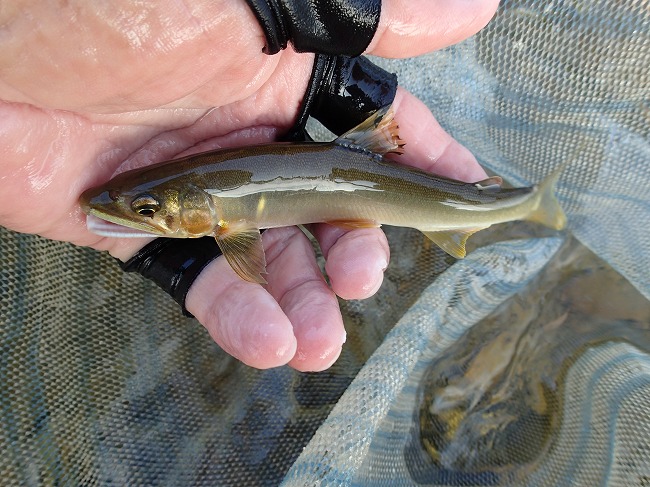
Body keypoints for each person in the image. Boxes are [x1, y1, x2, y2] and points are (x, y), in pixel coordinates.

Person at [0, 0, 499, 372]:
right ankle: (506, 207)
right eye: (147, 209)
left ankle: (511, 207)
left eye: (147, 209)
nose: (141, 214)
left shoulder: (225, 220)